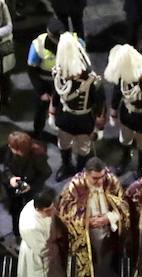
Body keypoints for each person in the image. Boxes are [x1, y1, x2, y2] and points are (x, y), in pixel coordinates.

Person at [54, 157, 127, 277]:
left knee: (106, 262)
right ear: (86, 174)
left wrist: (108, 218)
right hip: (86, 236)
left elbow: (123, 205)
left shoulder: (111, 181)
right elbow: (64, 213)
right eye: (95, 178)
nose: (100, 182)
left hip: (108, 231)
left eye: (102, 177)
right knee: (90, 268)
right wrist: (86, 222)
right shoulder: (74, 187)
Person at [51, 31, 105, 179]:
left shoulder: (92, 80)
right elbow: (57, 93)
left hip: (84, 118)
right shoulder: (60, 74)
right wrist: (52, 112)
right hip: (65, 116)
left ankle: (80, 170)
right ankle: (66, 165)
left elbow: (99, 103)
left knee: (83, 147)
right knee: (64, 144)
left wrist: (99, 123)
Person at [105, 44, 142, 174]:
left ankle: (141, 167)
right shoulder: (126, 73)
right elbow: (118, 91)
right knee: (125, 140)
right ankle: (125, 159)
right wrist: (113, 110)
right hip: (127, 114)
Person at [17, 189, 55, 277]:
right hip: (35, 253)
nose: (51, 212)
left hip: (45, 244)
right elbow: (43, 250)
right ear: (38, 209)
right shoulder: (31, 226)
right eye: (48, 211)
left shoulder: (34, 204)